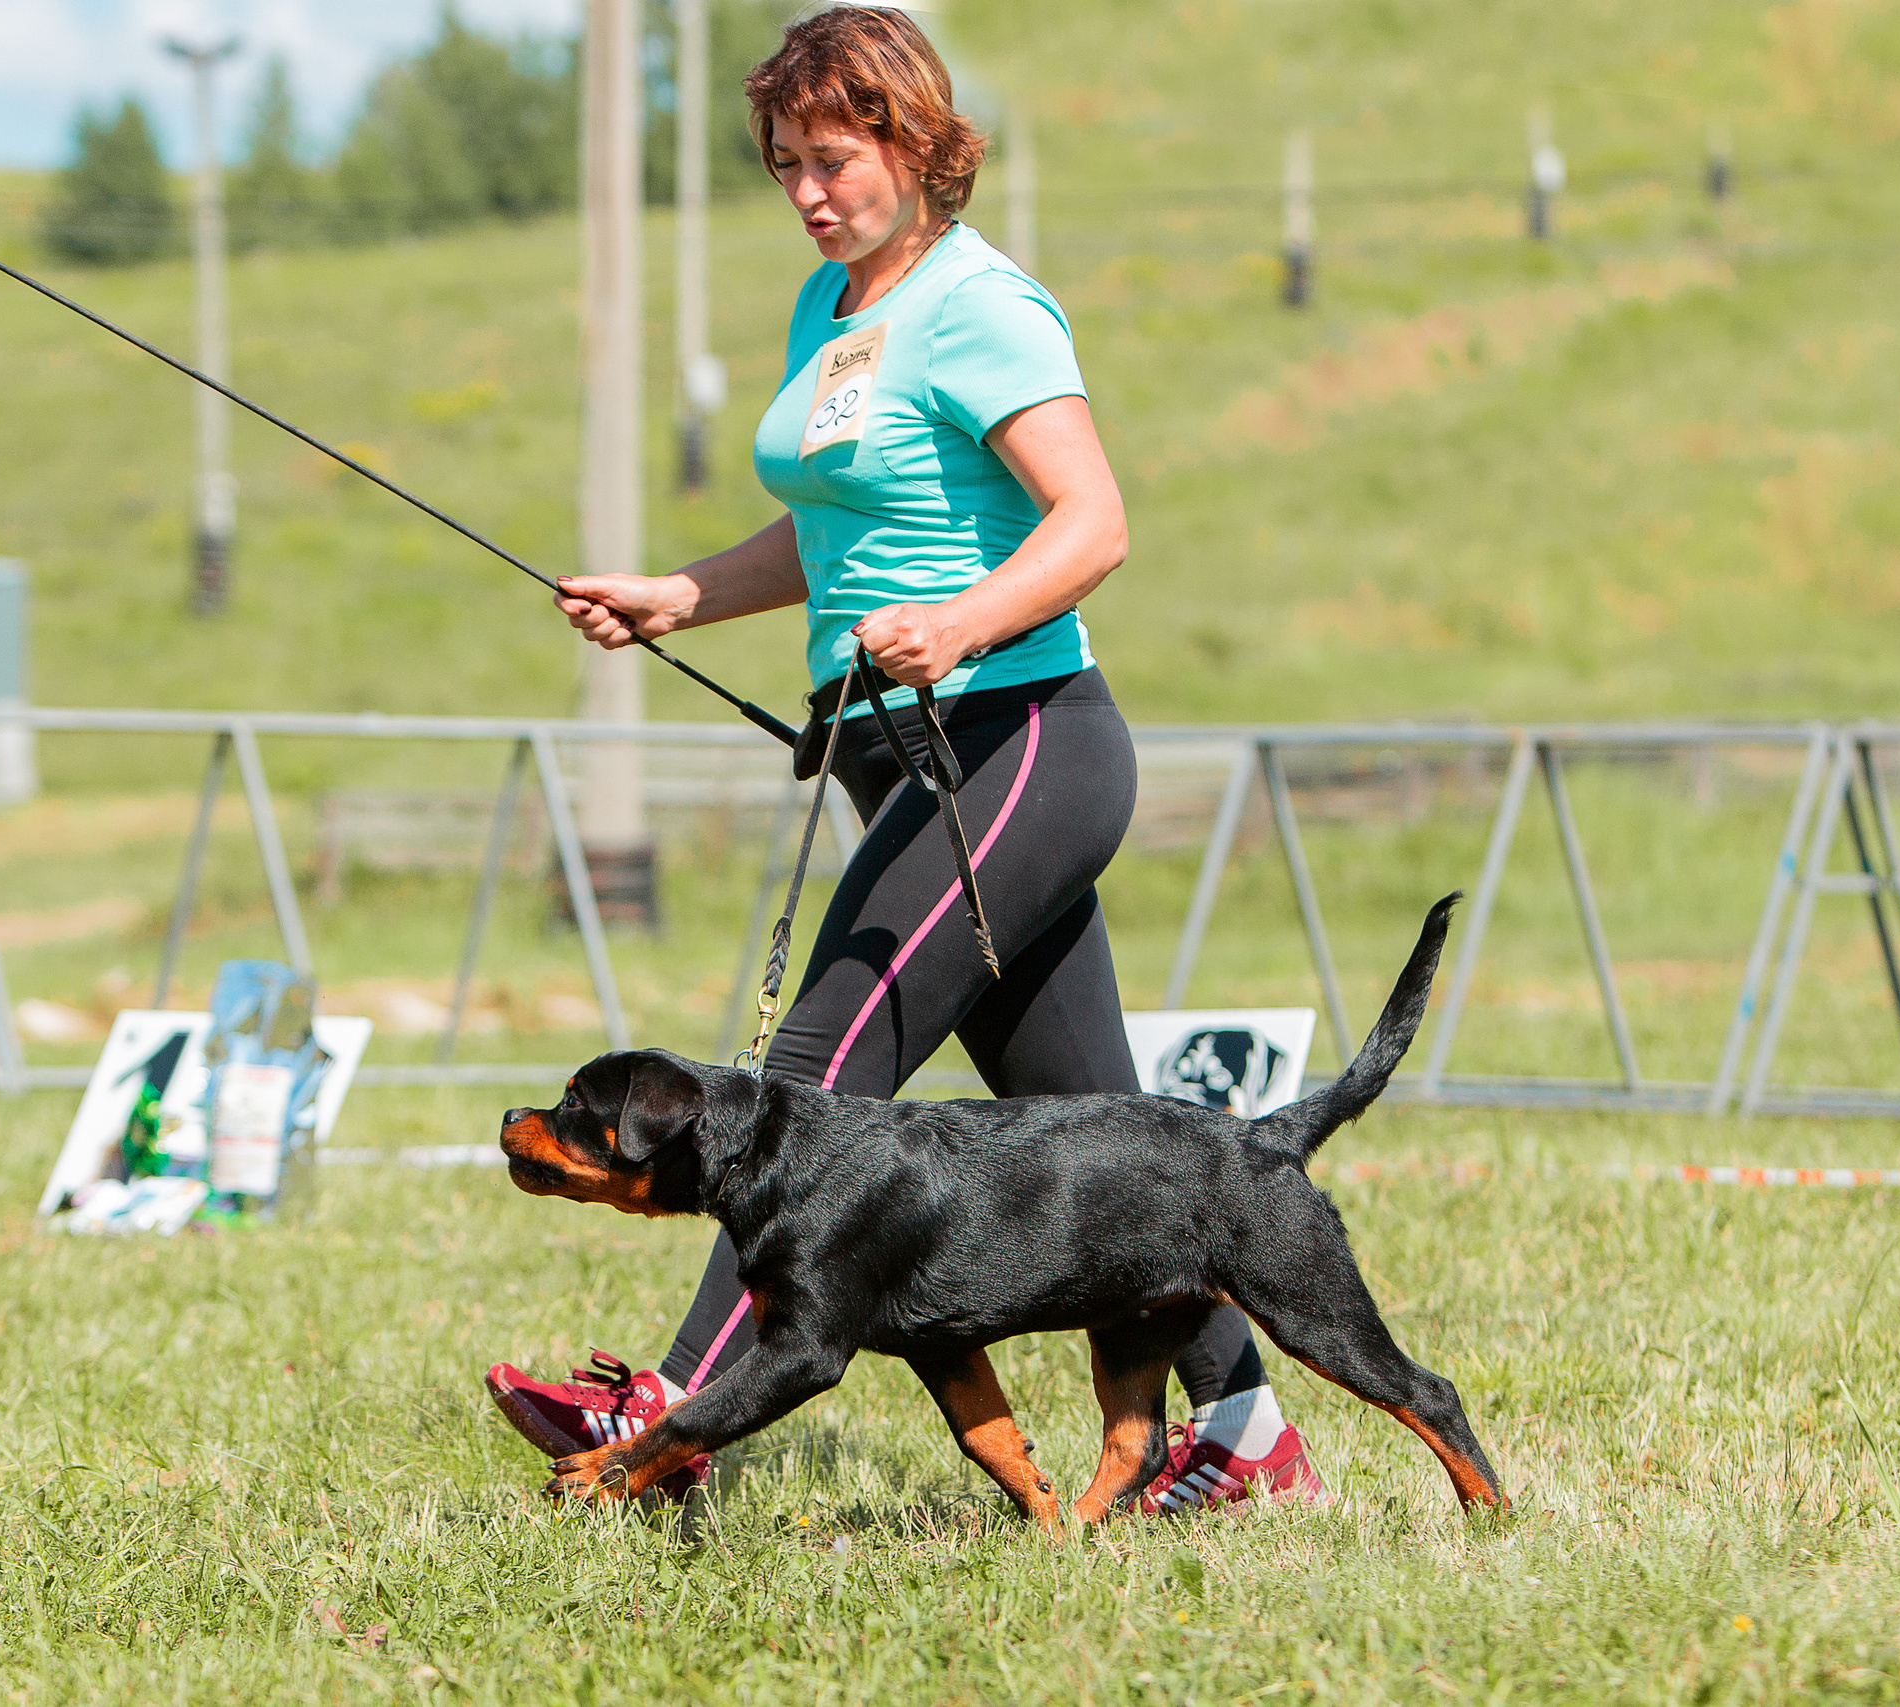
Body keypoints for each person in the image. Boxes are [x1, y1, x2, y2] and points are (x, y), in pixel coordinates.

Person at [484, 8, 1323, 1515]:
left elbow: (1092, 524)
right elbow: (831, 529)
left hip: (1018, 745)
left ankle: (670, 1412)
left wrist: (962, 621)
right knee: (1126, 1152)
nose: (810, 190)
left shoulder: (982, 304)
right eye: (788, 164)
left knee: (804, 1072)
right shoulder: (832, 306)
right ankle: (1253, 1449)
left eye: (838, 156)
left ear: (916, 142)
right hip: (901, 758)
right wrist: (684, 592)